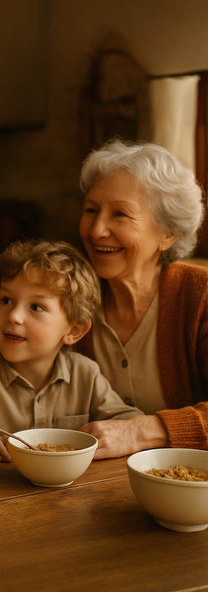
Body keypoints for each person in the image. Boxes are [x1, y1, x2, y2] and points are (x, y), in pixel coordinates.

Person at [76, 138, 207, 458]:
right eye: (91, 210)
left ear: (167, 233)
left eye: (120, 214)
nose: (96, 230)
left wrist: (139, 431)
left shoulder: (200, 297)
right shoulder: (69, 298)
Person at [0, 239, 141, 462]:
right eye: (6, 300)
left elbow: (128, 423)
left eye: (36, 307)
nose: (14, 316)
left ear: (74, 330)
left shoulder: (86, 374)